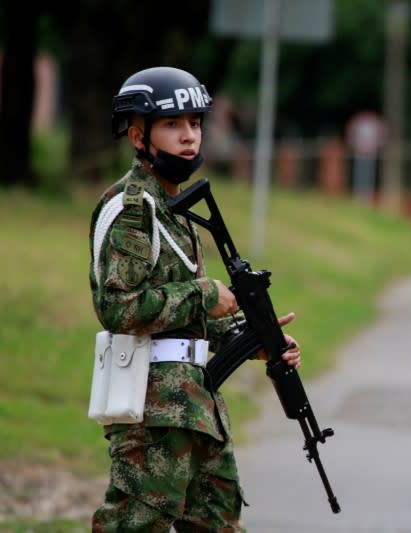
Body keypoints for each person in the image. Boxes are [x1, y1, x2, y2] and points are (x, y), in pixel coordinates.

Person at [89, 66, 301, 532]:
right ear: (137, 135)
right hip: (151, 411)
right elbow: (119, 308)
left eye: (196, 124)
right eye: (173, 125)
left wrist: (252, 339)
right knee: (134, 525)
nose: (189, 137)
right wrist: (205, 295)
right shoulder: (129, 209)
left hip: (198, 405)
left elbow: (187, 320)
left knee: (219, 524)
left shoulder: (177, 209)